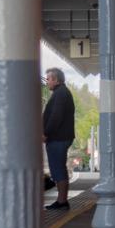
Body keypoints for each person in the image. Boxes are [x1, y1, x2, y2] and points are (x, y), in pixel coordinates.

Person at [41, 67, 74, 210]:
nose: (47, 81)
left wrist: (46, 133)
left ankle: (62, 201)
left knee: (58, 169)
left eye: (48, 79)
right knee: (58, 168)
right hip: (60, 137)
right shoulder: (61, 93)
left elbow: (56, 116)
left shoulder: (60, 94)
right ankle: (62, 200)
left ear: (55, 79)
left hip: (58, 138)